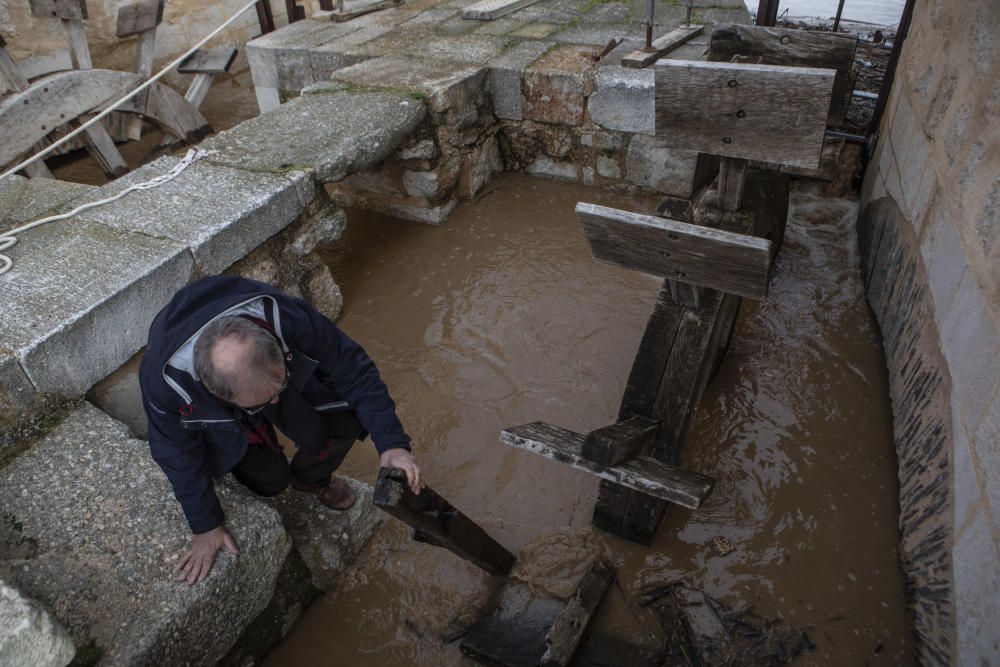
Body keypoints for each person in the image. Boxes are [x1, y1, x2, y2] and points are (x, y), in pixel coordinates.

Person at [139, 275, 422, 585]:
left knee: (347, 418)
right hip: (234, 402)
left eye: (276, 388)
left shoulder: (289, 318)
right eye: (262, 400)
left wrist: (392, 443)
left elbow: (354, 370)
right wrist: (205, 525)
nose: (273, 400)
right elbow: (175, 453)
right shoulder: (165, 386)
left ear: (277, 347)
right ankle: (262, 433)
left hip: (268, 376)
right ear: (219, 397)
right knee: (270, 481)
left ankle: (311, 478)